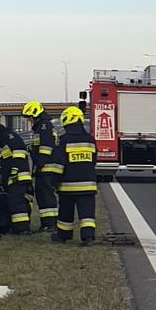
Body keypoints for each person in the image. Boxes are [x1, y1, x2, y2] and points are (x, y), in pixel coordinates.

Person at [54, 105, 99, 245]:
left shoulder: (63, 140)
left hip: (68, 186)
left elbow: (58, 164)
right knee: (87, 214)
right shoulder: (90, 140)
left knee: (66, 213)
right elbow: (93, 160)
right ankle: (88, 237)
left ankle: (63, 236)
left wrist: (54, 182)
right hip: (88, 184)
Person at [0, 121, 34, 233]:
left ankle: (22, 229)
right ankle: (18, 227)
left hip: (17, 177)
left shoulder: (10, 138)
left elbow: (19, 152)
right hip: (16, 177)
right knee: (17, 202)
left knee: (17, 203)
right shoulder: (8, 139)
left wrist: (14, 170)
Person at [25, 100, 60, 222]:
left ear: (35, 114)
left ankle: (49, 224)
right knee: (43, 194)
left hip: (46, 167)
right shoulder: (42, 126)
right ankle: (48, 223)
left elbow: (45, 148)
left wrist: (39, 165)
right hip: (46, 167)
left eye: (29, 117)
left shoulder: (44, 126)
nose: (28, 120)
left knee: (45, 195)